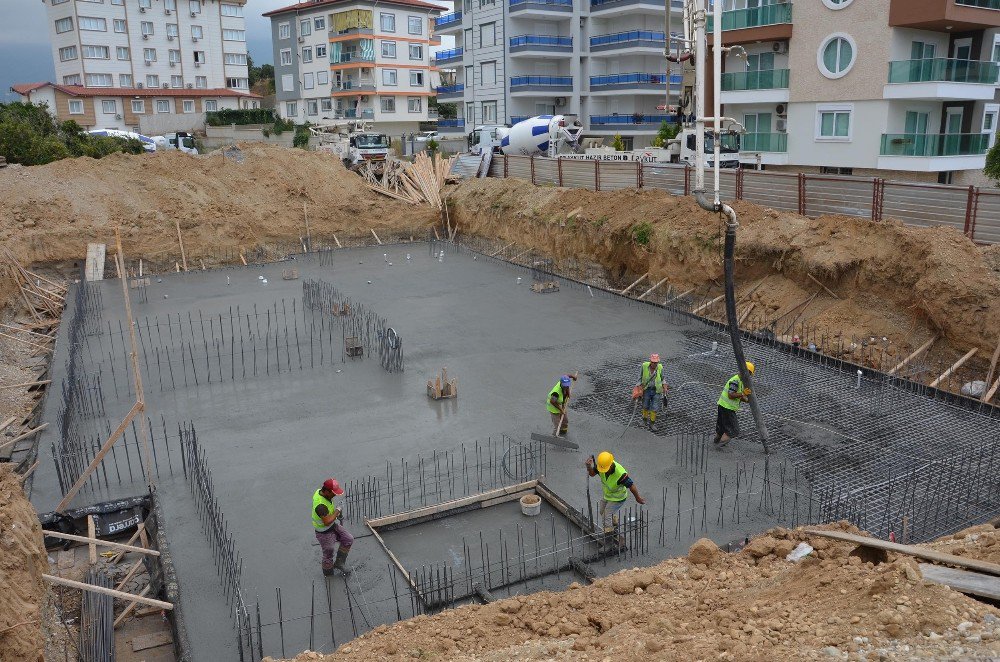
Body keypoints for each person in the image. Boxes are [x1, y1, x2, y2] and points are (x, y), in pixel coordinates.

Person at [585, 451, 645, 533]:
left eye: (605, 469)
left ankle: (609, 537)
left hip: (618, 498)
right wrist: (589, 466)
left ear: (611, 465)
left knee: (606, 516)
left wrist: (638, 498)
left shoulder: (620, 474)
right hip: (608, 495)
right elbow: (592, 474)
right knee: (602, 511)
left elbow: (631, 486)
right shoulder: (601, 467)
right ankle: (614, 522)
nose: (603, 471)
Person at [312, 478, 353, 576]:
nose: (335, 495)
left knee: (348, 539)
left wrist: (335, 513)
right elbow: (327, 521)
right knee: (328, 552)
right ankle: (328, 574)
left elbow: (330, 516)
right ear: (326, 491)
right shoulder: (320, 505)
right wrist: (338, 510)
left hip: (332, 526)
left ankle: (339, 563)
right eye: (333, 493)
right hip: (323, 531)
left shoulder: (321, 492)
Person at [714, 361, 755, 447]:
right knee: (733, 430)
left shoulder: (740, 380)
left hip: (723, 406)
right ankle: (717, 448)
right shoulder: (735, 381)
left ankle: (716, 442)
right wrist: (743, 394)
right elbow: (731, 395)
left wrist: (747, 400)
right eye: (748, 373)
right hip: (727, 408)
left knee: (721, 428)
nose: (749, 376)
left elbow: (738, 396)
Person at [636, 353, 668, 430]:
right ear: (650, 361)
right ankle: (644, 421)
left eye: (656, 362)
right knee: (645, 405)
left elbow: (663, 378)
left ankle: (652, 424)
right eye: (653, 362)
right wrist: (639, 387)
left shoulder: (660, 367)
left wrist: (665, 386)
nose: (654, 364)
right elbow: (639, 378)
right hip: (646, 389)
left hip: (657, 390)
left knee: (655, 407)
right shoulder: (644, 366)